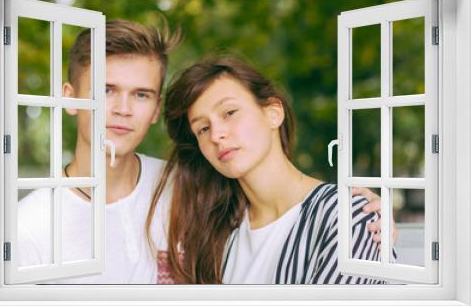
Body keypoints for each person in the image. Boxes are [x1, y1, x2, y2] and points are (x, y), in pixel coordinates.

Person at [147, 57, 394, 284]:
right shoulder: (215, 233)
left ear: (273, 114)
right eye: (202, 128)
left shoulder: (351, 217)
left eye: (229, 113)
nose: (216, 134)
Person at [17, 20, 180, 283]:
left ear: (156, 109)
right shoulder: (27, 227)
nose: (123, 109)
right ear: (69, 99)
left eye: (141, 95)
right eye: (106, 90)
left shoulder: (184, 186)